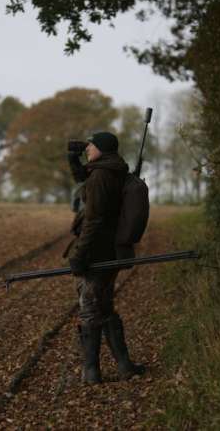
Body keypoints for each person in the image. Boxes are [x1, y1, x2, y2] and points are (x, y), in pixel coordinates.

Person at [65, 131, 146, 384]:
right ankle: (125, 366)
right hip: (111, 250)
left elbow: (94, 220)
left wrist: (79, 254)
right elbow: (84, 180)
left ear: (101, 148)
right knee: (104, 306)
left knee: (90, 309)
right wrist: (72, 158)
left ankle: (91, 373)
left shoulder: (101, 175)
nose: (87, 148)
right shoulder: (112, 169)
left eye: (91, 145)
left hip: (97, 252)